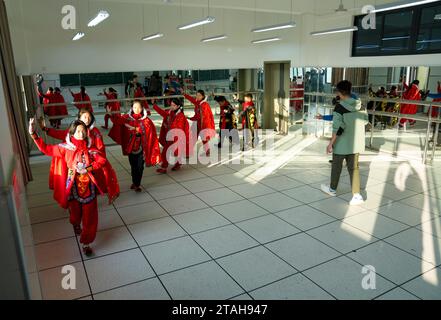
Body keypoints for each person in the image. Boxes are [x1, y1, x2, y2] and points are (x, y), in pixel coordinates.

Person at [29, 118, 107, 256]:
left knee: (90, 216)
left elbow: (102, 160)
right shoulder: (65, 148)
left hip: (89, 187)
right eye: (78, 131)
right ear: (72, 133)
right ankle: (75, 223)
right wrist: (33, 134)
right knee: (75, 214)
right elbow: (46, 149)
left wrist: (88, 168)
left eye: (83, 131)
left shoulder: (90, 147)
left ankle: (86, 242)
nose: (81, 134)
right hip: (72, 186)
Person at [39, 108, 120, 205]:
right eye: (85, 117)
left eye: (89, 117)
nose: (87, 119)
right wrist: (44, 129)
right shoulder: (73, 132)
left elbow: (100, 148)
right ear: (79, 118)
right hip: (73, 164)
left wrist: (93, 154)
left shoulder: (94, 131)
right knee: (70, 187)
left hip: (91, 162)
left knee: (96, 183)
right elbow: (59, 135)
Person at [321, 80, 368, 206]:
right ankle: (357, 195)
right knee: (354, 169)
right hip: (356, 143)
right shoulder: (361, 105)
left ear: (339, 92)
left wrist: (331, 143)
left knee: (336, 167)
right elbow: (365, 121)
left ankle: (332, 189)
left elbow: (337, 128)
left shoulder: (339, 107)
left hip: (341, 144)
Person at [109, 100, 161, 192]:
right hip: (131, 147)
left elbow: (149, 130)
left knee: (140, 166)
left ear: (142, 108)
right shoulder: (127, 118)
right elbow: (117, 121)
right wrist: (110, 114)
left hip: (142, 148)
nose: (137, 109)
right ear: (132, 108)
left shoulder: (146, 120)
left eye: (139, 107)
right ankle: (134, 182)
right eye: (135, 107)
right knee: (133, 165)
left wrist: (136, 129)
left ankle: (137, 184)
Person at [153, 98, 190, 174]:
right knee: (165, 152)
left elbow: (178, 128)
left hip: (177, 138)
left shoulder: (181, 116)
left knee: (177, 152)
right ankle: (164, 167)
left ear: (178, 106)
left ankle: (178, 163)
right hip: (170, 137)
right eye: (171, 105)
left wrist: (167, 126)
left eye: (174, 105)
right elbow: (162, 113)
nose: (172, 107)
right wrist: (154, 105)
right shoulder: (170, 113)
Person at [184, 90, 215, 157]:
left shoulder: (204, 105)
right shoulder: (198, 102)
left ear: (203, 96)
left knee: (203, 138)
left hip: (203, 124)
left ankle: (207, 151)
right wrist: (185, 95)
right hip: (198, 123)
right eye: (197, 95)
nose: (197, 97)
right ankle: (189, 152)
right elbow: (192, 100)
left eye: (199, 95)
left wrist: (190, 118)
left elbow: (199, 116)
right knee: (193, 137)